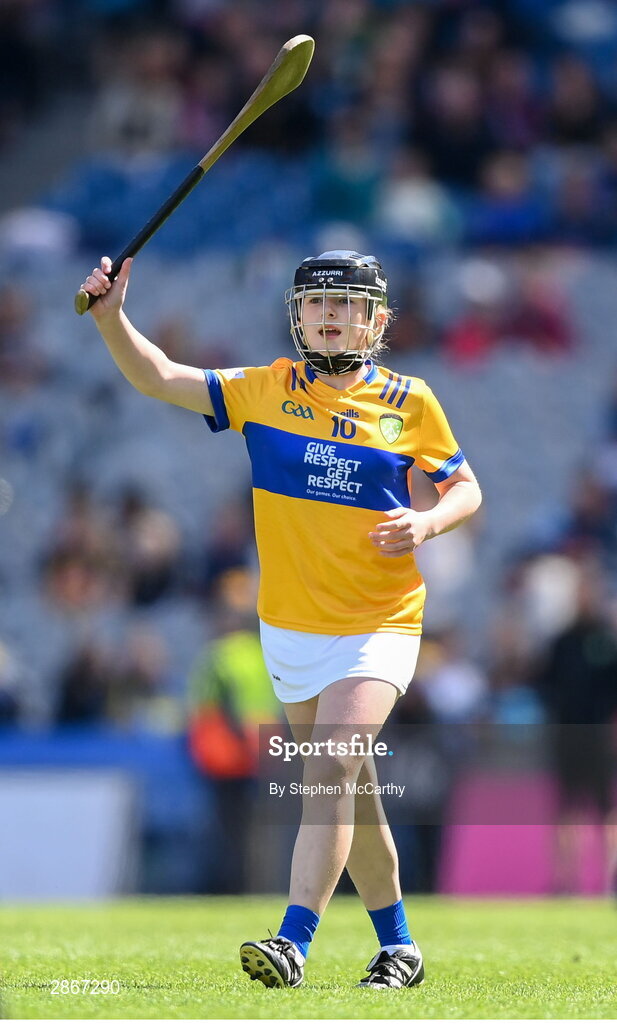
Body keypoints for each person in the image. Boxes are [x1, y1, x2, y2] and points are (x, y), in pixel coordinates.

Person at [80, 249, 482, 989]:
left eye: (346, 303)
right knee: (349, 789)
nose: (328, 316)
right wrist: (114, 320)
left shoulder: (409, 399)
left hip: (379, 620)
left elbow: (465, 489)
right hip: (291, 629)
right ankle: (399, 947)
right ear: (296, 316)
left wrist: (426, 526)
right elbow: (158, 376)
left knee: (328, 772)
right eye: (315, 304)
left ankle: (292, 941)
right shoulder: (264, 389)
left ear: (376, 320)